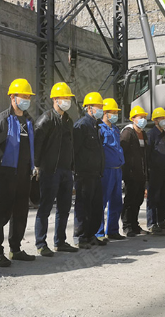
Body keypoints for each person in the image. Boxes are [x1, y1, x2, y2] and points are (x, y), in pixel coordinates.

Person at [0, 78, 37, 267]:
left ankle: (15, 249)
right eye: (22, 96)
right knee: (2, 212)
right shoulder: (2, 120)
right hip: (7, 174)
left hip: (24, 174)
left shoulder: (29, 120)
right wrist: (1, 164)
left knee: (20, 212)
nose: (26, 99)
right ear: (12, 97)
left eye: (28, 96)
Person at [33, 82, 78, 256]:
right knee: (45, 207)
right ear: (54, 99)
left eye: (68, 98)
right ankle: (41, 243)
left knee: (64, 208)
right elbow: (37, 145)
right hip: (50, 170)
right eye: (63, 98)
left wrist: (72, 167)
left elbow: (71, 145)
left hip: (66, 170)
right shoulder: (46, 120)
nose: (67, 101)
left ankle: (60, 241)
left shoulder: (68, 121)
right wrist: (37, 166)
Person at [72, 92, 106, 249]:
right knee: (83, 207)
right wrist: (76, 171)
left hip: (96, 174)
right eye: (98, 107)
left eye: (101, 107)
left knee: (96, 206)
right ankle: (81, 237)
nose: (101, 110)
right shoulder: (81, 126)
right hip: (84, 174)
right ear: (89, 108)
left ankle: (91, 235)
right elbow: (75, 150)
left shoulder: (96, 126)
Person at [96, 98, 125, 242]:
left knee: (116, 202)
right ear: (105, 113)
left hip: (117, 169)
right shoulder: (100, 128)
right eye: (112, 112)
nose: (115, 115)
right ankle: (99, 232)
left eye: (116, 112)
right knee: (102, 202)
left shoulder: (115, 129)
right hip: (106, 170)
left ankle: (113, 230)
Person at [120, 106, 151, 236]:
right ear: (133, 119)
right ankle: (127, 226)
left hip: (141, 173)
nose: (143, 120)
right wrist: (126, 171)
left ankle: (135, 225)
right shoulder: (127, 133)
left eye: (144, 117)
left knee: (138, 200)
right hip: (131, 174)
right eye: (140, 117)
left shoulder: (143, 133)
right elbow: (122, 152)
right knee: (130, 200)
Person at [147, 107, 165, 232]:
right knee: (154, 197)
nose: (164, 121)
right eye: (161, 118)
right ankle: (152, 223)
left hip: (164, 170)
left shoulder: (164, 134)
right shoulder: (151, 134)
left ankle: (161, 221)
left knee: (164, 197)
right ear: (155, 120)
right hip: (155, 171)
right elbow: (148, 153)